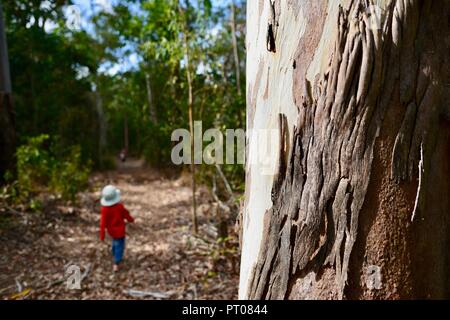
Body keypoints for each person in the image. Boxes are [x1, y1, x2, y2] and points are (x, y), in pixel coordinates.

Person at [99, 185, 135, 272]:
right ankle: (116, 263)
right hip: (120, 230)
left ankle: (114, 253)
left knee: (115, 242)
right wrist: (131, 220)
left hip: (111, 231)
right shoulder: (119, 207)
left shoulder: (104, 209)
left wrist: (102, 235)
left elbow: (102, 223)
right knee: (120, 245)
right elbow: (126, 214)